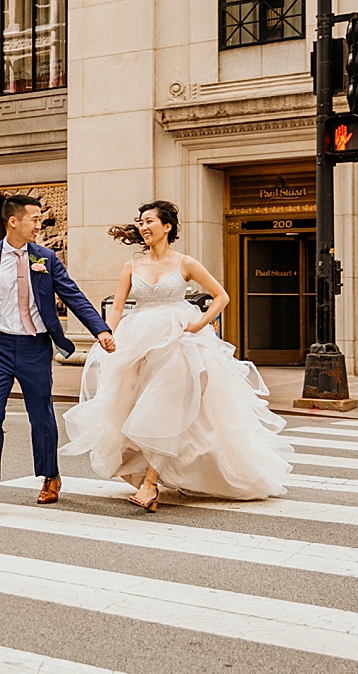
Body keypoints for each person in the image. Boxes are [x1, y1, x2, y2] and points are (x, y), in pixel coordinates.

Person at [60, 200, 293, 511]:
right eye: (140, 222)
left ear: (167, 227)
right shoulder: (132, 266)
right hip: (138, 342)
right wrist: (107, 335)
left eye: (149, 221)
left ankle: (151, 483)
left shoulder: (186, 263)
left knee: (165, 408)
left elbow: (221, 296)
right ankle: (148, 475)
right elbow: (116, 307)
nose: (143, 227)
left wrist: (197, 324)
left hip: (178, 344)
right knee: (137, 409)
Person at [0, 193, 115, 509]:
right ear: (14, 221)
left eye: (40, 219)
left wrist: (101, 329)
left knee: (41, 417)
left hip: (34, 348)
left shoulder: (46, 259)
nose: (39, 225)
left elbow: (74, 296)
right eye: (35, 219)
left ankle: (50, 477)